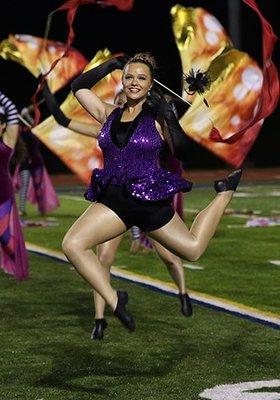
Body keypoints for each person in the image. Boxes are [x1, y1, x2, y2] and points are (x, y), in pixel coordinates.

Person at [59, 52, 241, 334]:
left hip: (148, 200)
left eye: (141, 78)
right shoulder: (109, 113)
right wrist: (109, 65)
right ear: (121, 80)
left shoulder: (156, 116)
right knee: (72, 244)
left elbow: (181, 151)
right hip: (114, 201)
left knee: (192, 250)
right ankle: (114, 300)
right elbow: (79, 87)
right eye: (129, 76)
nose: (134, 82)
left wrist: (169, 118)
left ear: (150, 84)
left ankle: (224, 193)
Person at [42, 82, 193, 340]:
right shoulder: (109, 122)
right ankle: (100, 318)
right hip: (116, 203)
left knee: (169, 256)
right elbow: (62, 119)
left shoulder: (153, 123)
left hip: (147, 200)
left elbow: (178, 124)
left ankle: (182, 291)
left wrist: (178, 99)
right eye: (121, 98)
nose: (125, 101)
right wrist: (46, 88)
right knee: (103, 259)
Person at [0, 90, 29, 279]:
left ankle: (13, 260)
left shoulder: (8, 140)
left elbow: (11, 110)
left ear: (3, 125)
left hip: (2, 193)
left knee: (5, 238)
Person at [11, 106, 60, 216]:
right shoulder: (18, 131)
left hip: (36, 162)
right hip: (24, 162)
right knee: (25, 184)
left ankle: (41, 209)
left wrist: (27, 115)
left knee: (39, 186)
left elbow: (36, 127)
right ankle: (21, 209)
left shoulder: (33, 129)